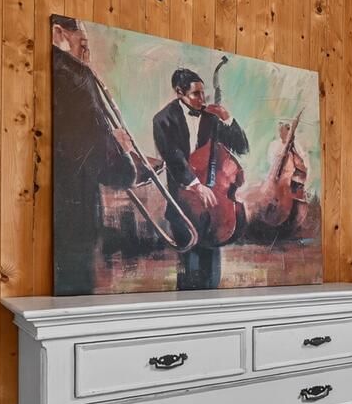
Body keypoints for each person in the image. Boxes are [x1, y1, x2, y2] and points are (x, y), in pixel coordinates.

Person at [50, 16, 142, 295]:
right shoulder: (75, 76)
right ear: (58, 33)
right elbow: (103, 163)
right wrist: (121, 149)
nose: (86, 55)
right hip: (76, 214)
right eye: (83, 45)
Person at [153, 68, 250, 290]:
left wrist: (227, 118)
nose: (202, 99)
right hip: (183, 204)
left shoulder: (211, 118)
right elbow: (174, 159)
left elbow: (242, 147)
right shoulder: (163, 120)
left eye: (203, 93)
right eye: (195, 94)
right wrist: (197, 186)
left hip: (214, 206)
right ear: (179, 92)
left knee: (212, 275)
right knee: (189, 271)